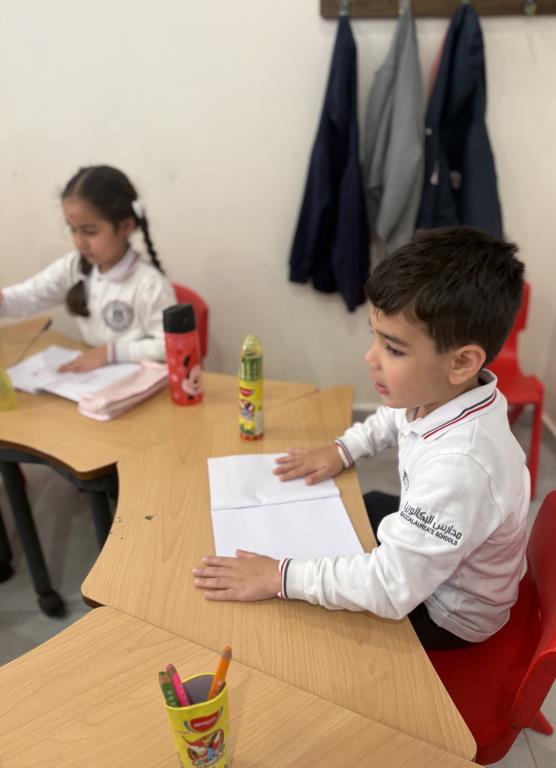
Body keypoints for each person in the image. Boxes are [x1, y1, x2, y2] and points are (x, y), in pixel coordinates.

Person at [193, 227, 530, 650]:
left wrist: (279, 576)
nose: (370, 358)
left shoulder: (462, 466)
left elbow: (389, 588)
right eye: (375, 337)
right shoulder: (444, 394)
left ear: (462, 362)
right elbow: (395, 418)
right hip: (437, 560)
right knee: (352, 509)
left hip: (449, 614)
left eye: (394, 349)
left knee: (301, 635)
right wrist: (343, 449)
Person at [0, 165, 176, 371]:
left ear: (126, 227)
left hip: (139, 378)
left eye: (90, 231)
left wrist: (110, 353)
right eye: (72, 230)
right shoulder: (74, 266)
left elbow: (169, 345)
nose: (79, 242)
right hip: (92, 377)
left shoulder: (149, 284)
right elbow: (32, 294)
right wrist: (4, 301)